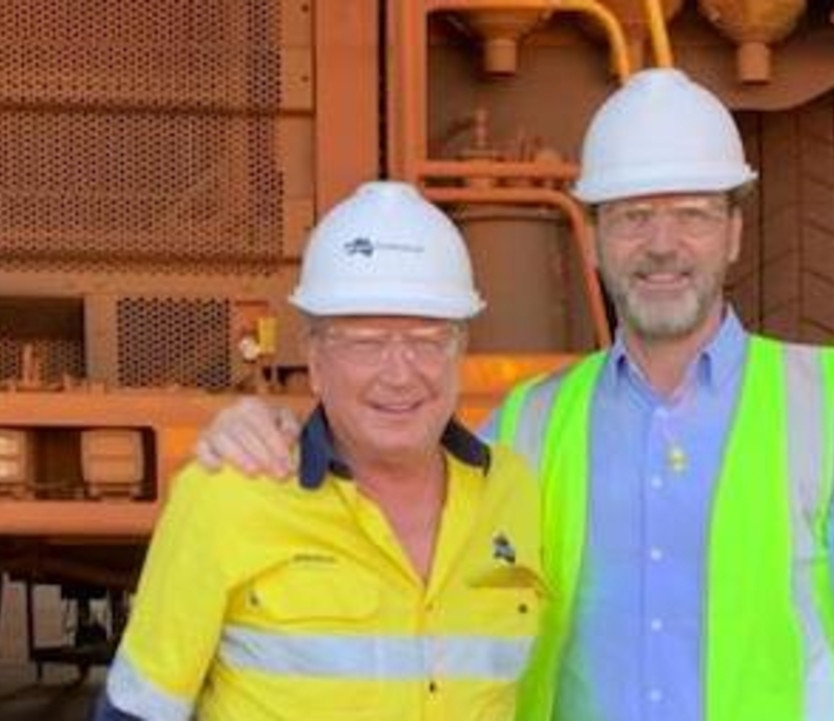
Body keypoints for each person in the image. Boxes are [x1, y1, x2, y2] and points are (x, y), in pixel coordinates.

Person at [195, 69, 834, 720]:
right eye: (632, 217)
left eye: (691, 215)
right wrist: (271, 431)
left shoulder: (826, 409)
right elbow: (387, 494)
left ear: (734, 234)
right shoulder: (532, 420)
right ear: (591, 241)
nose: (661, 245)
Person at [95, 181, 544, 720]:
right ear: (314, 358)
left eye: (427, 339)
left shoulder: (515, 491)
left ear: (459, 352)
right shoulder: (228, 497)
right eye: (366, 343)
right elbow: (137, 712)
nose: (399, 374)